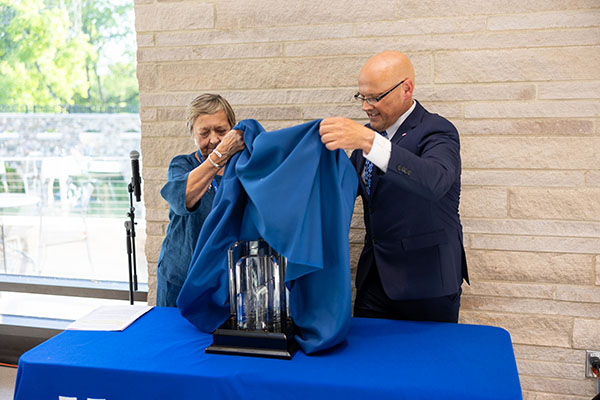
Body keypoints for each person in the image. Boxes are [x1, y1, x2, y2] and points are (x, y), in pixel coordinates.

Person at [319, 51, 469, 323]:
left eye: (375, 97)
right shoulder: (369, 136)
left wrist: (368, 141)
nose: (366, 106)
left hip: (427, 285)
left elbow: (435, 180)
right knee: (369, 362)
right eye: (362, 97)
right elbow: (341, 190)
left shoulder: (437, 130)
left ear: (406, 89)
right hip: (374, 283)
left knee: (426, 364)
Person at [156, 94, 245, 307]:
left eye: (221, 131)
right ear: (193, 135)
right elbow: (183, 199)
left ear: (232, 130)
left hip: (226, 282)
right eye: (204, 133)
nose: (213, 140)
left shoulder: (243, 168)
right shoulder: (182, 165)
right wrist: (220, 155)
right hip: (180, 280)